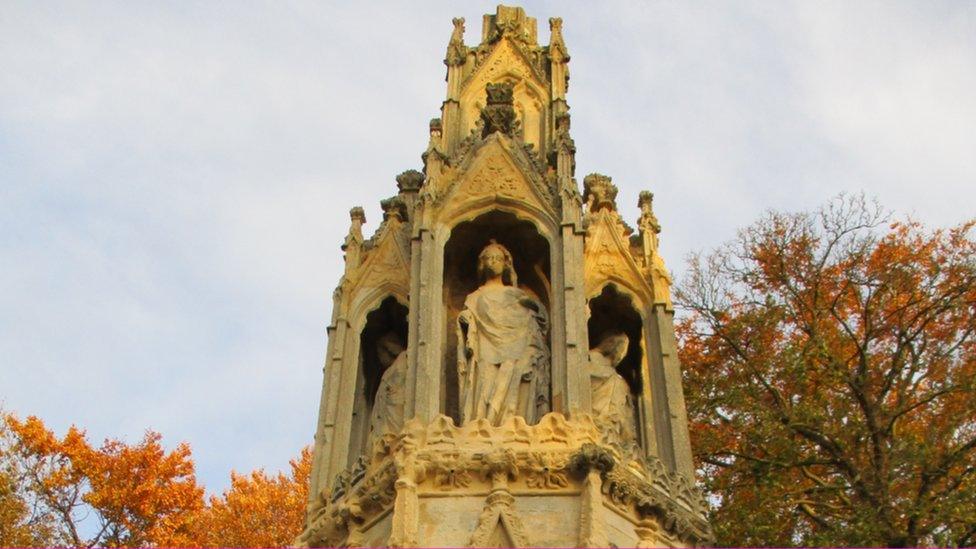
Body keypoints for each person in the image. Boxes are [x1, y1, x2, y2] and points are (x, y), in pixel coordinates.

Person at [457, 240, 549, 426]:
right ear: (482, 264)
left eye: (497, 258)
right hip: (486, 347)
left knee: (514, 375)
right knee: (486, 380)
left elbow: (539, 317)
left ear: (506, 264)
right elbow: (470, 314)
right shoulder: (475, 296)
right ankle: (482, 423)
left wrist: (533, 308)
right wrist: (465, 318)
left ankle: (513, 421)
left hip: (516, 345)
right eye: (489, 258)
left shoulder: (514, 294)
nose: (493, 262)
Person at [588, 333, 637, 449]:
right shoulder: (592, 358)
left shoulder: (617, 379)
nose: (621, 355)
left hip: (611, 427)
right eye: (622, 350)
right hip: (594, 420)